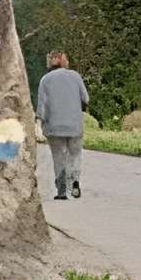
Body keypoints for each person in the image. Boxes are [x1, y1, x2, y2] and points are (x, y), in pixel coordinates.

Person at [35, 51, 89, 200]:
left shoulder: (45, 80)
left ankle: (62, 191)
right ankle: (75, 182)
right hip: (75, 126)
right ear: (62, 61)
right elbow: (86, 98)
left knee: (59, 157)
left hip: (54, 126)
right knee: (75, 154)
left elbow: (42, 107)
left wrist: (39, 123)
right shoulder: (76, 76)